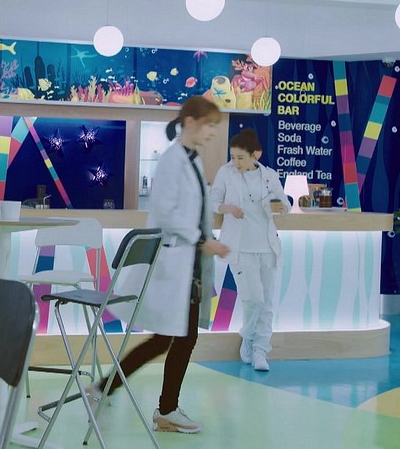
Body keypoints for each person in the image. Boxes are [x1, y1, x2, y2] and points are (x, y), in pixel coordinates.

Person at [96, 96, 230, 434]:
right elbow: (167, 214)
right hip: (177, 261)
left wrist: (203, 240)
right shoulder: (173, 160)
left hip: (189, 264)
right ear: (190, 122)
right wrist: (202, 240)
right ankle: (157, 405)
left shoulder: (191, 159)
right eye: (210, 125)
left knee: (177, 337)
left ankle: (118, 391)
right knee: (173, 338)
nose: (213, 132)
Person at [210, 128, 290, 371]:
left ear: (256, 154)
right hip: (240, 247)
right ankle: (247, 337)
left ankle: (260, 350)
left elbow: (285, 204)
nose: (235, 162)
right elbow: (212, 201)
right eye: (233, 156)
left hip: (267, 246)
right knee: (253, 298)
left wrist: (277, 206)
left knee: (267, 301)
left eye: (240, 157)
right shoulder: (226, 173)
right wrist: (227, 208)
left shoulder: (269, 176)